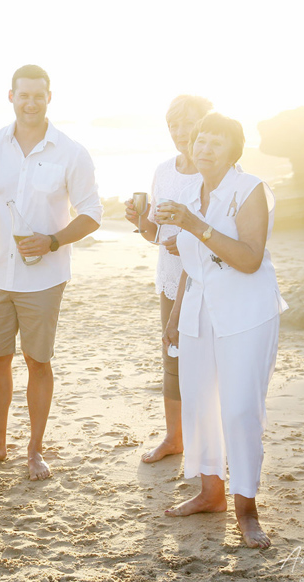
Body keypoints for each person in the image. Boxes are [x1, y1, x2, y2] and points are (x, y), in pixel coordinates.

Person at [0, 65, 102, 481]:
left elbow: (92, 214)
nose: (31, 103)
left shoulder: (71, 152)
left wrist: (53, 240)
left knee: (37, 362)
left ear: (49, 97)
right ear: (10, 96)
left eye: (38, 95)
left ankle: (34, 450)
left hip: (44, 279)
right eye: (23, 95)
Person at [156, 113, 288, 548]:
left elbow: (249, 259)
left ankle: (247, 509)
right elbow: (190, 264)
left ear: (233, 150)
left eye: (216, 142)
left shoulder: (250, 189)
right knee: (199, 404)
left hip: (246, 312)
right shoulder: (188, 192)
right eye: (200, 141)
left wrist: (195, 224)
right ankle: (211, 493)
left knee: (239, 409)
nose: (205, 149)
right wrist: (176, 314)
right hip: (198, 311)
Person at [124, 95, 213, 463]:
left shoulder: (215, 172)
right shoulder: (163, 171)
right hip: (170, 277)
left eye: (188, 123)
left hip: (208, 280)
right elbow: (155, 235)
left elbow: (221, 232)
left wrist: (190, 242)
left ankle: (207, 442)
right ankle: (174, 438)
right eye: (173, 125)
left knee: (206, 362)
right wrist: (139, 221)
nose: (180, 132)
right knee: (172, 358)